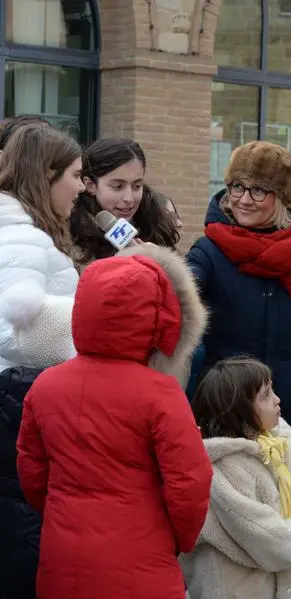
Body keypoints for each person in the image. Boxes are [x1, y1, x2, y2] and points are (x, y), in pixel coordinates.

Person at [15, 243, 213, 599]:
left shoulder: (46, 385)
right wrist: (181, 539)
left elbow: (32, 472)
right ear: (157, 317)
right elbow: (190, 482)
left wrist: (63, 512)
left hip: (63, 560)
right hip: (142, 560)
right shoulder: (161, 395)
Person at [187, 141, 291, 477]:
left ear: (282, 197)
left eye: (259, 190)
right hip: (225, 412)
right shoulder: (208, 250)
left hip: (290, 414)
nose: (244, 199)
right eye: (237, 186)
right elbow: (180, 298)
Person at [0, 122, 83, 599]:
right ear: (47, 174)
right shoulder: (25, 239)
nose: (81, 186)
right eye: (74, 174)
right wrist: (89, 328)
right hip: (16, 414)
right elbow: (16, 329)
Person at [182, 357, 291, 599]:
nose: (277, 399)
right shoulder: (225, 465)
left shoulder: (273, 444)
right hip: (234, 588)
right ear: (237, 410)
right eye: (265, 395)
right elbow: (256, 529)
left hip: (272, 580)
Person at [70, 138, 180, 265]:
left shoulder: (155, 224)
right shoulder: (70, 237)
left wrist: (162, 261)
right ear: (90, 185)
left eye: (137, 186)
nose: (129, 198)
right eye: (118, 186)